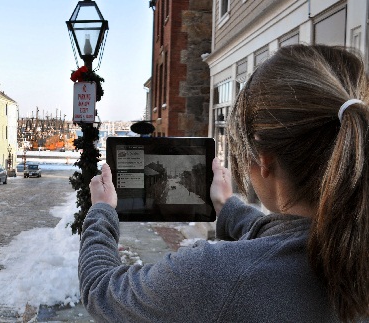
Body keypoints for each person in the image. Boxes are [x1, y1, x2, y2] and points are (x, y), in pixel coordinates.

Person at [79, 44, 369, 322]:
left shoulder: (212, 275)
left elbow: (102, 290)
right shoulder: (352, 249)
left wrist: (102, 211)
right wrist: (228, 206)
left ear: (265, 160)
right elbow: (287, 239)